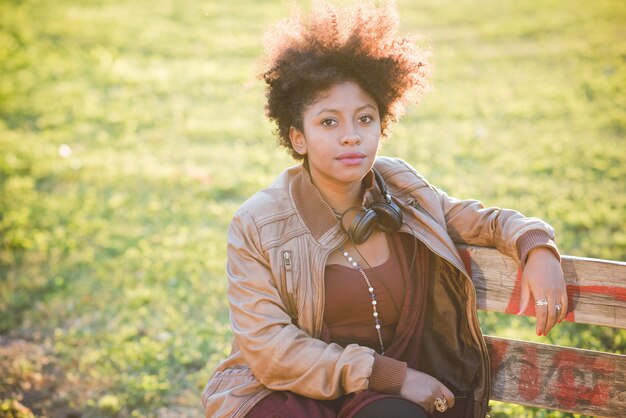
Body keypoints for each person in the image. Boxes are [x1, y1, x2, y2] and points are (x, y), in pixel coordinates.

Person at [202, 2, 567, 417]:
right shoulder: (258, 223)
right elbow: (271, 351)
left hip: (378, 400)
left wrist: (536, 246)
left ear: (383, 124)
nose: (351, 137)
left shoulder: (402, 188)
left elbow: (483, 221)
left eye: (365, 118)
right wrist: (395, 376)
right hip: (284, 394)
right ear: (297, 137)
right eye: (328, 122)